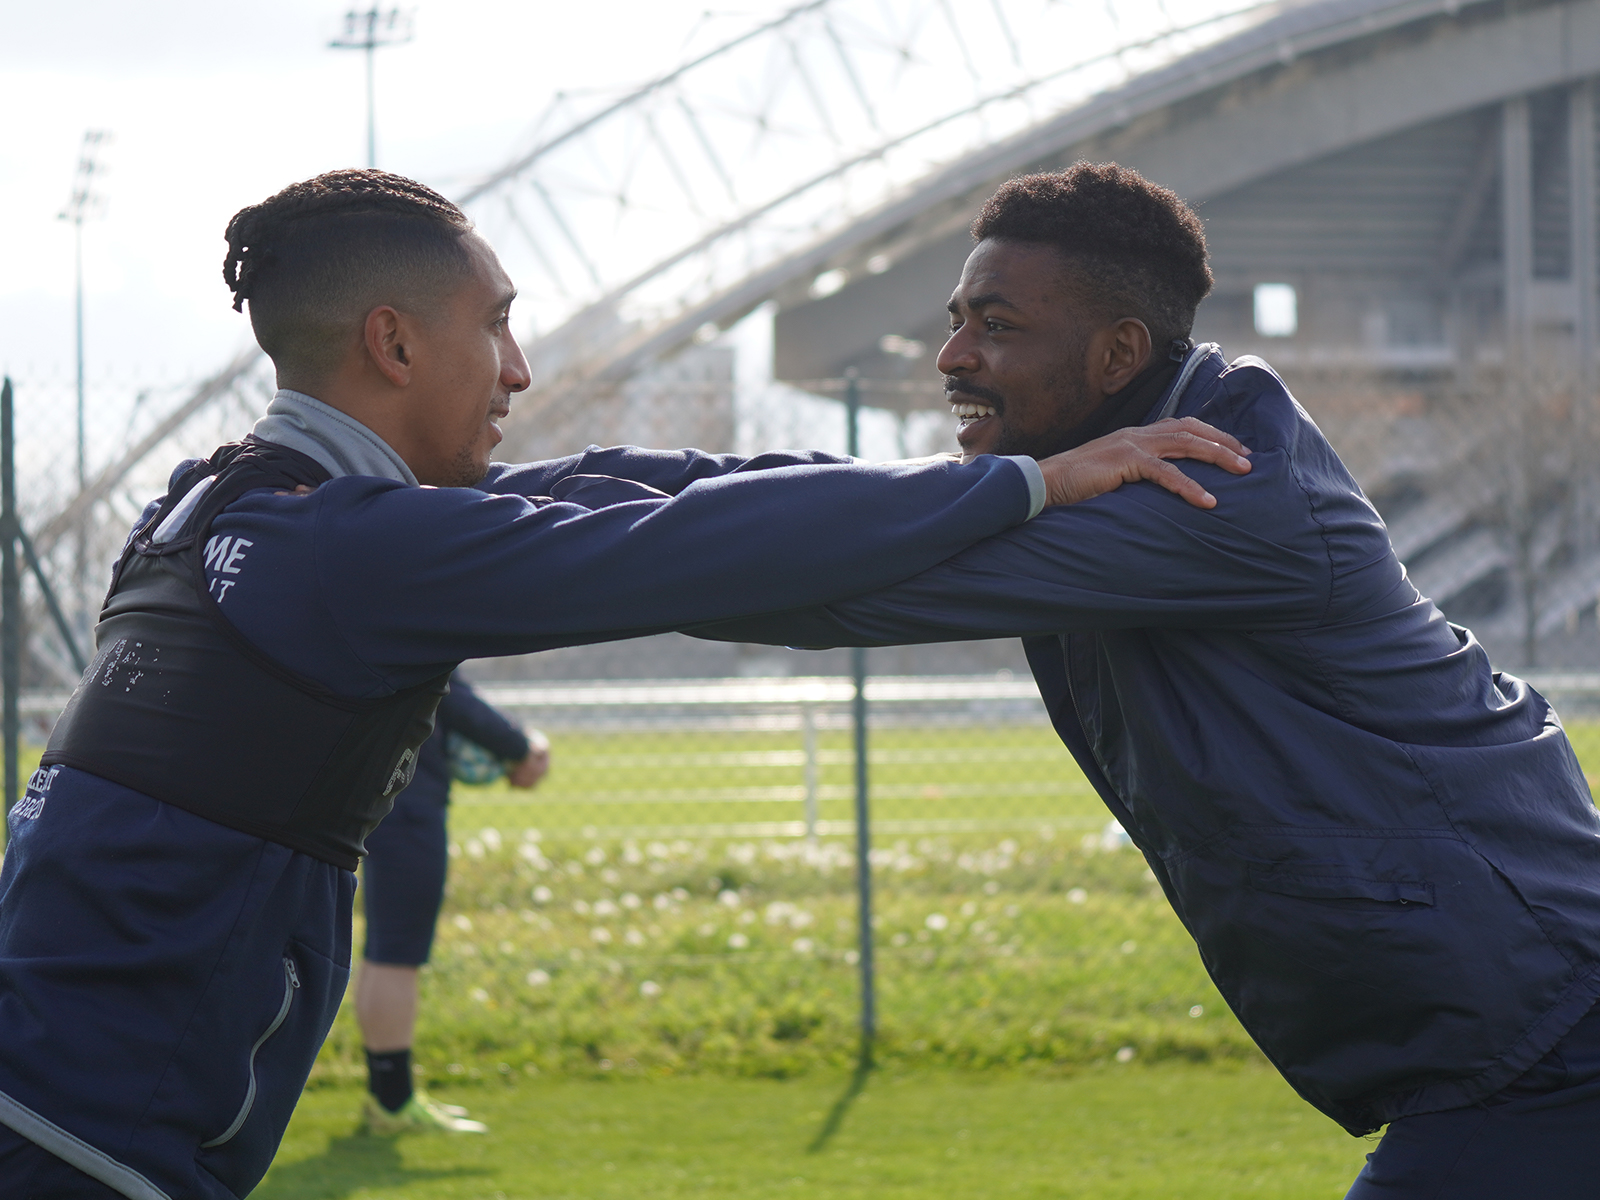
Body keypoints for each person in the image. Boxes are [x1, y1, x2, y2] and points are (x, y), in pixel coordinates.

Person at [0, 169, 1250, 1200]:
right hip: (85, 1137)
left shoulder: (228, 499)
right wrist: (1028, 483)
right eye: (493, 324)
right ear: (391, 341)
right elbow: (686, 547)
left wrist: (930, 480)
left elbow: (627, 485)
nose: (519, 369)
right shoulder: (356, 550)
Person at [693, 164, 1600, 1199]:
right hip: (1513, 1036)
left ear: (1119, 352)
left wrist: (552, 567)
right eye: (954, 321)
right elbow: (836, 502)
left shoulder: (1207, 490)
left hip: (1551, 1038)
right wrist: (539, 499)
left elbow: (852, 588)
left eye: (994, 324)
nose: (951, 357)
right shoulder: (1096, 470)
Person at [356, 671, 547, 1135]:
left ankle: (386, 1098)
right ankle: (394, 1104)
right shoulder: (410, 607)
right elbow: (449, 693)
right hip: (408, 802)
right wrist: (523, 748)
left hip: (368, 790)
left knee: (382, 951)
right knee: (396, 954)